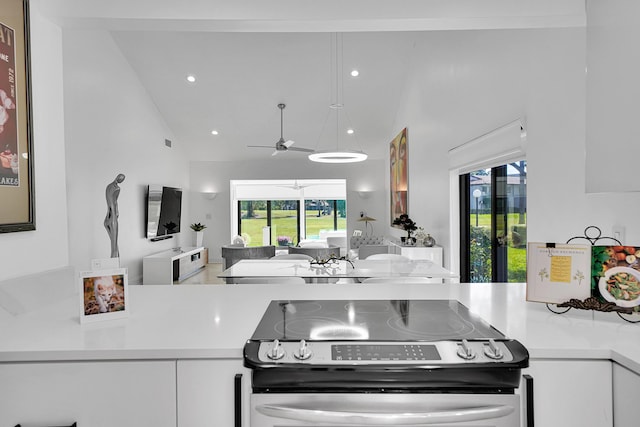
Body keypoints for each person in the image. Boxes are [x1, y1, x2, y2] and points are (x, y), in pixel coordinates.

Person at [104, 173, 125, 258]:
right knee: (114, 245)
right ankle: (114, 260)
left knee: (114, 243)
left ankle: (115, 258)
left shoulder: (108, 186)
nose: (121, 181)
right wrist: (116, 211)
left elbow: (108, 201)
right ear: (118, 178)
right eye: (121, 179)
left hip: (108, 214)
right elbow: (115, 202)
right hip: (113, 215)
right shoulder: (117, 188)